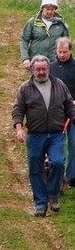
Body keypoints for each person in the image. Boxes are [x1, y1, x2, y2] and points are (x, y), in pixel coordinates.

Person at [12, 54, 75, 217]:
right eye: (38, 69)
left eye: (44, 69)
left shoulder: (59, 85)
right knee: (35, 168)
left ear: (48, 69)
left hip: (56, 134)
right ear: (32, 69)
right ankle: (40, 203)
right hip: (35, 135)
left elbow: (69, 104)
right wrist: (19, 128)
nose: (41, 72)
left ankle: (53, 194)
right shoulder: (25, 88)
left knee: (58, 163)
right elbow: (18, 109)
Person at [49, 37, 75, 187]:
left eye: (65, 52)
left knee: (73, 144)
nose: (62, 55)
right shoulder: (50, 68)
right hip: (55, 113)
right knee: (56, 146)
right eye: (59, 52)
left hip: (73, 112)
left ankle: (71, 177)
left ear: (70, 51)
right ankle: (55, 176)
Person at [20, 0, 69, 71]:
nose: (49, 12)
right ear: (42, 8)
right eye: (47, 9)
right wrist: (25, 58)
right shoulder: (33, 22)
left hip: (55, 63)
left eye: (52, 9)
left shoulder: (60, 24)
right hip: (37, 62)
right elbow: (24, 40)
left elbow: (66, 44)